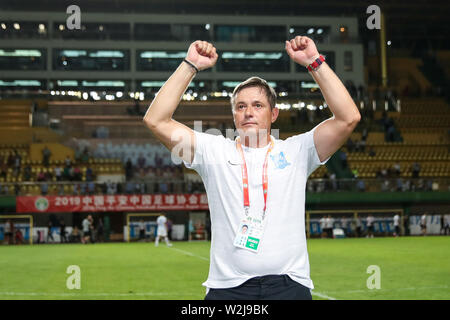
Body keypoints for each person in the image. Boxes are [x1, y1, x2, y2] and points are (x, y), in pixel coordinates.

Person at [142, 36, 360, 300]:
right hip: (227, 289)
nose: (248, 112)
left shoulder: (296, 151)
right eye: (241, 106)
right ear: (233, 114)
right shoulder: (213, 151)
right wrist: (190, 65)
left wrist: (315, 62)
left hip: (289, 285)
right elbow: (156, 120)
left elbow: (349, 118)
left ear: (274, 114)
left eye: (258, 105)